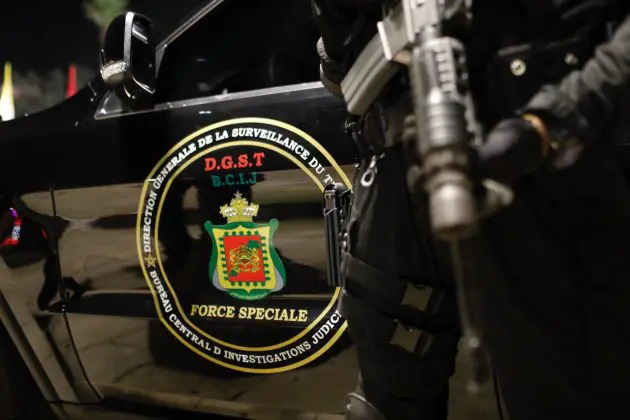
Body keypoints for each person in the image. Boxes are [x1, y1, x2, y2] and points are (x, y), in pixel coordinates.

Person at [313, 1, 630, 419]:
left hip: (535, 161)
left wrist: (556, 119)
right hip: (395, 168)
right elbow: (339, 71)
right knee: (380, 405)